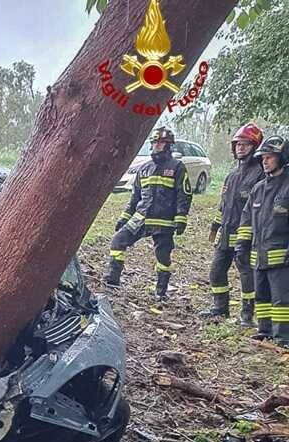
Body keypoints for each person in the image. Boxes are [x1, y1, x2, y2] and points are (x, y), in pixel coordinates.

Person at [104, 127, 192, 299]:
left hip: (163, 221)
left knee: (163, 257)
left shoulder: (177, 167)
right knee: (117, 241)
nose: (157, 146)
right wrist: (125, 217)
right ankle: (112, 280)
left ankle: (161, 291)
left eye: (161, 142)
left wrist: (181, 217)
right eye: (155, 142)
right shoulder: (144, 168)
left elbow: (184, 194)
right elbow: (135, 197)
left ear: (169, 145)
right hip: (141, 218)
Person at [201, 123, 264, 324]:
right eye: (238, 144)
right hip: (226, 234)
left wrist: (251, 237)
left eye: (245, 144)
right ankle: (220, 308)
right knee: (216, 271)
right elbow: (224, 205)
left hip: (246, 236)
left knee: (246, 274)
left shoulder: (260, 175)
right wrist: (214, 228)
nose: (240, 148)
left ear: (255, 147)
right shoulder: (232, 175)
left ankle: (247, 315)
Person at [236, 135, 289, 345]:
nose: (265, 161)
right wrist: (241, 246)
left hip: (282, 258)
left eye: (270, 157)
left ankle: (283, 336)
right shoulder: (258, 189)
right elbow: (246, 220)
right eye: (263, 157)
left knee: (282, 301)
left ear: (282, 157)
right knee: (262, 297)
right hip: (259, 255)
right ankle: (265, 330)